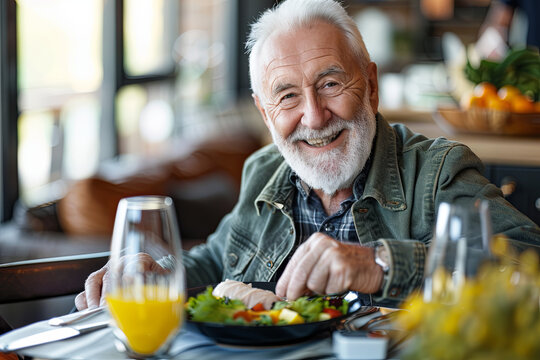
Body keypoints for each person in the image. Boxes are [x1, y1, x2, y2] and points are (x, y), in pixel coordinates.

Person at [75, 0, 540, 310]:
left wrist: (379, 264)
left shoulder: (437, 171)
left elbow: (528, 265)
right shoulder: (263, 172)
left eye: (331, 84)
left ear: (371, 86)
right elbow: (216, 262)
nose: (314, 117)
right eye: (288, 97)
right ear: (264, 111)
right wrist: (152, 272)